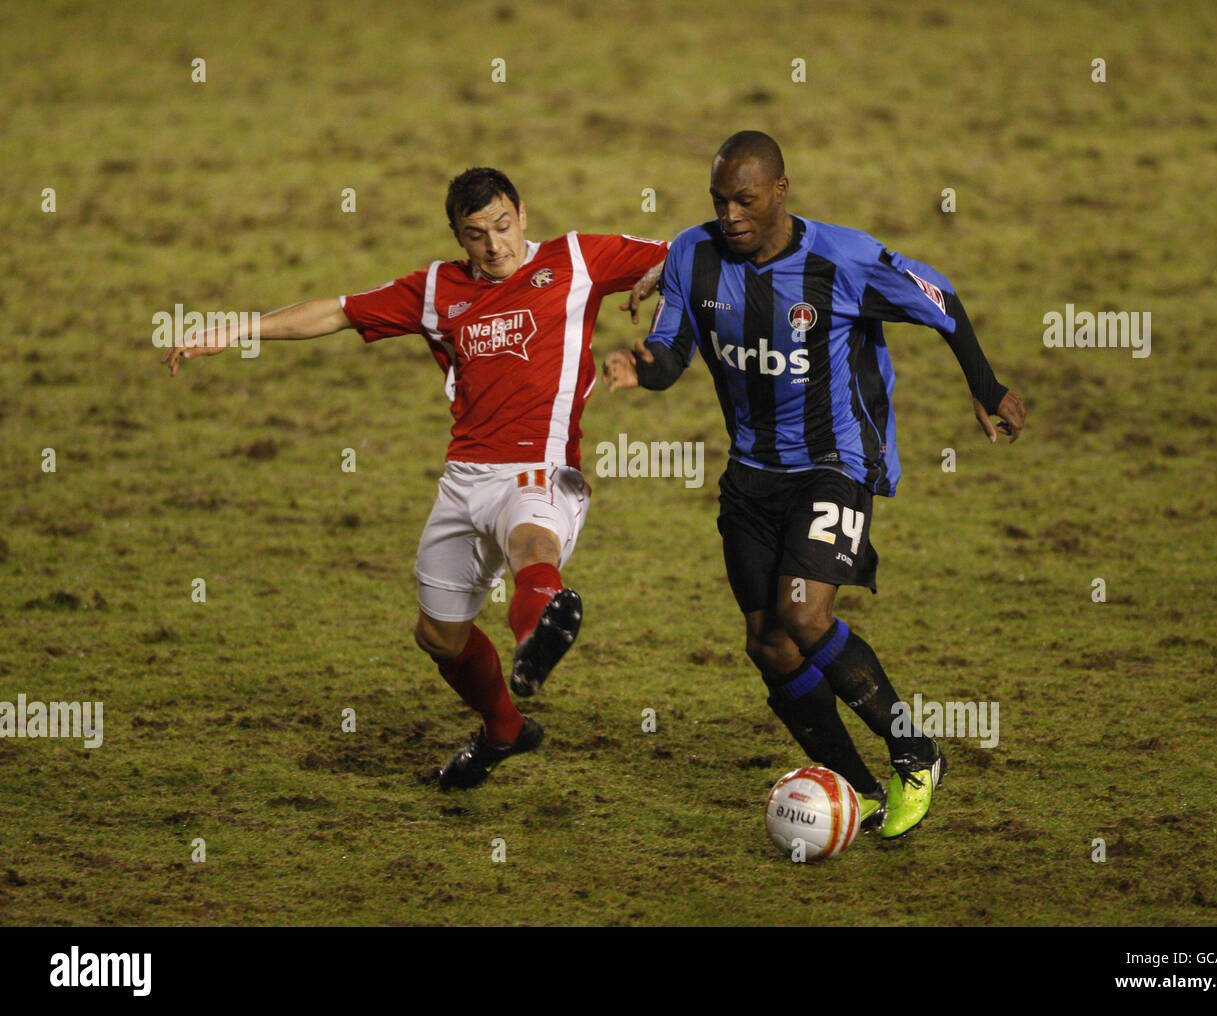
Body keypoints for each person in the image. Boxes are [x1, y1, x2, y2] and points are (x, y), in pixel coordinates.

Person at [164, 167, 666, 789]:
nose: (495, 245)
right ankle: (504, 727)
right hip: (464, 479)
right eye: (476, 234)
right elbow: (339, 312)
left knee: (533, 545)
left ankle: (541, 627)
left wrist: (661, 317)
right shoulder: (437, 290)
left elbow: (686, 258)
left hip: (542, 468)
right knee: (437, 634)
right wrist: (240, 329)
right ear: (458, 237)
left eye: (504, 227)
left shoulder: (578, 260)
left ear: (524, 215)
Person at [604, 132, 1026, 839]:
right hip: (752, 474)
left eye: (744, 199)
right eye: (718, 200)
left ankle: (914, 749)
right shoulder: (692, 256)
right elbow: (673, 349)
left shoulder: (844, 257)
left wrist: (986, 387)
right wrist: (639, 368)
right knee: (769, 644)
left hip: (837, 461)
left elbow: (940, 299)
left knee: (804, 616)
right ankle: (859, 793)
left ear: (779, 191)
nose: (730, 214)